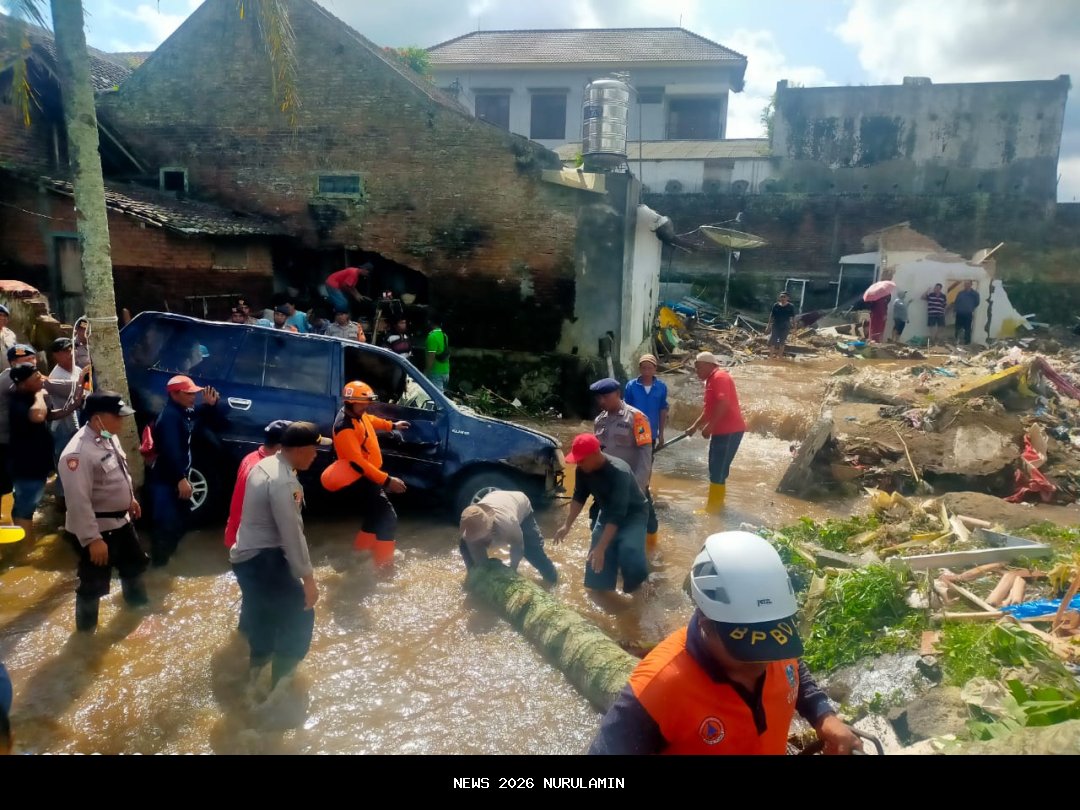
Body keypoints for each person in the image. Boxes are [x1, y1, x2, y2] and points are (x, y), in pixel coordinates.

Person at [588, 531, 861, 755]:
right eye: (748, 650)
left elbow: (794, 670)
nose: (763, 662)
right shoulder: (659, 688)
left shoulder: (776, 643)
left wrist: (824, 716)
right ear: (707, 625)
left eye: (772, 646)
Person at [230, 422, 329, 696]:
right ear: (298, 450)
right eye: (313, 449)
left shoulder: (264, 464)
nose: (316, 455)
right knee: (301, 613)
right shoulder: (284, 481)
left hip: (246, 558)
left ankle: (255, 675)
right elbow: (292, 534)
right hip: (263, 560)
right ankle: (280, 689)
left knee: (264, 618)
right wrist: (308, 579)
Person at [58, 391, 149, 633]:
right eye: (117, 417)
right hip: (99, 532)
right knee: (93, 586)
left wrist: (129, 500)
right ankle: (85, 640)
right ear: (98, 418)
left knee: (134, 568)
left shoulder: (108, 436)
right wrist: (92, 540)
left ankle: (138, 615)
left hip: (122, 522)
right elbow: (78, 502)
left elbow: (119, 470)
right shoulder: (77, 454)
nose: (122, 421)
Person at [320, 381, 410, 567]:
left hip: (369, 475)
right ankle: (384, 569)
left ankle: (358, 557)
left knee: (374, 516)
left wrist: (391, 425)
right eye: (363, 402)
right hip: (360, 478)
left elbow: (369, 420)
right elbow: (358, 463)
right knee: (388, 518)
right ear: (351, 402)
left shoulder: (357, 414)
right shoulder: (344, 427)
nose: (367, 405)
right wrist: (387, 480)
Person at [552, 434, 649, 597]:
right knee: (596, 551)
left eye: (581, 460)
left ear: (595, 453)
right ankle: (600, 591)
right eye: (577, 461)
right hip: (608, 509)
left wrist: (602, 547)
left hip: (634, 514)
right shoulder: (582, 469)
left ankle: (637, 588)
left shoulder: (619, 472)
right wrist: (567, 524)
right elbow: (579, 496)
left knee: (629, 548)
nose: (578, 463)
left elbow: (618, 514)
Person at [146, 375, 222, 567]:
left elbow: (195, 417)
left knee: (180, 521)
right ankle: (159, 567)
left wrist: (208, 406)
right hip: (167, 480)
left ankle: (165, 561)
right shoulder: (170, 418)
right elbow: (170, 450)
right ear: (175, 394)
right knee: (166, 526)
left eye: (193, 393)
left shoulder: (181, 411)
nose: (193, 397)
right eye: (188, 393)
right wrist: (180, 478)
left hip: (174, 478)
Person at [9, 364, 80, 540]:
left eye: (40, 375)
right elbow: (38, 415)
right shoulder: (18, 401)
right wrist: (40, 394)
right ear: (23, 384)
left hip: (37, 464)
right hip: (27, 467)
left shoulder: (28, 396)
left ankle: (24, 539)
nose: (42, 380)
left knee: (27, 504)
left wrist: (73, 406)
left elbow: (49, 415)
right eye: (36, 379)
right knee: (25, 508)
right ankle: (23, 549)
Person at [591, 378, 659, 554]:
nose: (602, 401)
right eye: (599, 398)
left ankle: (652, 552)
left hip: (632, 481)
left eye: (606, 396)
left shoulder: (637, 418)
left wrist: (639, 485)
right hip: (608, 483)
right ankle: (605, 553)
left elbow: (645, 454)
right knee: (596, 519)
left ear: (618, 394)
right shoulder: (599, 421)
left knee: (648, 523)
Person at [686, 352, 745, 514]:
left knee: (718, 469)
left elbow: (723, 404)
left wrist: (710, 426)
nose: (696, 371)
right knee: (717, 469)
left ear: (708, 365)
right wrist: (695, 426)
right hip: (723, 430)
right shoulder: (711, 380)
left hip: (729, 430)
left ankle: (713, 509)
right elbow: (709, 410)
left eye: (698, 367)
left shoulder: (720, 378)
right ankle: (718, 505)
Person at [459, 491, 557, 584]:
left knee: (532, 552)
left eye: (480, 536)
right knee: (465, 547)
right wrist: (482, 571)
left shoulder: (507, 525)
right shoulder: (470, 524)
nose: (478, 540)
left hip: (520, 504)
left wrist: (512, 571)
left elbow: (518, 545)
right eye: (475, 538)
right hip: (495, 498)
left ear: (490, 527)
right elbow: (480, 561)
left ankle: (553, 578)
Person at [225, 420, 292, 550]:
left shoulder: (251, 457)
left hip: (236, 534)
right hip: (252, 543)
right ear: (280, 448)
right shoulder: (269, 473)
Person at [44, 337, 90, 508]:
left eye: (70, 349)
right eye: (64, 351)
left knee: (74, 461)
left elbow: (85, 389)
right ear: (56, 355)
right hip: (62, 423)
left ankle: (68, 496)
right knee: (65, 461)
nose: (69, 353)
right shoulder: (56, 376)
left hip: (76, 418)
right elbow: (75, 390)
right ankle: (62, 500)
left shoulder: (77, 369)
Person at [0, 345, 39, 523]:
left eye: (33, 359)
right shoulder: (10, 380)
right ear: (14, 363)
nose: (31, 362)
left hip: (14, 441)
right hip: (5, 442)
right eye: (26, 360)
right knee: (6, 485)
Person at [624, 354, 668, 449]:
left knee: (647, 461)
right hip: (633, 431)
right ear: (639, 369)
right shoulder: (631, 386)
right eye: (644, 368)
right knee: (631, 460)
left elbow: (662, 410)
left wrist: (661, 434)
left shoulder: (661, 387)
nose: (647, 371)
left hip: (650, 432)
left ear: (655, 369)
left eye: (650, 368)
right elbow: (625, 409)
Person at [766, 291, 797, 359]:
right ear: (779, 298)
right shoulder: (776, 305)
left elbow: (793, 317)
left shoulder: (790, 306)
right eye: (781, 297)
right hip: (776, 325)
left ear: (787, 298)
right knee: (773, 341)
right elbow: (771, 316)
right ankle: (771, 357)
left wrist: (795, 328)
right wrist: (768, 326)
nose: (782, 298)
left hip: (785, 326)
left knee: (782, 341)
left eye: (784, 297)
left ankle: (780, 356)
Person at [425, 313, 450, 392]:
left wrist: (426, 371)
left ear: (430, 322)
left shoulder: (432, 336)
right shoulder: (444, 335)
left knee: (436, 400)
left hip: (435, 373)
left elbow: (431, 356)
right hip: (446, 372)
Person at [953, 280, 980, 346]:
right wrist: (955, 310)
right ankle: (957, 341)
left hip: (968, 313)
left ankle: (967, 342)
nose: (966, 285)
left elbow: (977, 303)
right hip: (959, 313)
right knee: (958, 327)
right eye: (965, 284)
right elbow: (956, 302)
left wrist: (970, 307)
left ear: (971, 284)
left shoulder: (975, 294)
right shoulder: (960, 293)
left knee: (967, 328)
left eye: (968, 284)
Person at [0, 305, 17, 373]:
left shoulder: (10, 334)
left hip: (7, 375)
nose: (2, 318)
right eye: (0, 315)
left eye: (5, 316)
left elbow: (16, 350)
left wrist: (26, 352)